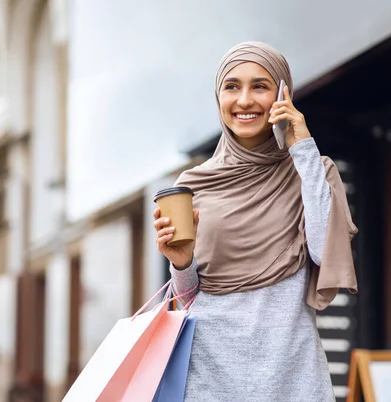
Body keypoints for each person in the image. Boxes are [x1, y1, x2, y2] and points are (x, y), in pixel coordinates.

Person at [153, 42, 358, 401]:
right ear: (218, 98)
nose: (244, 100)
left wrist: (304, 148)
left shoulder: (313, 172)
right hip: (209, 381)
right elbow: (188, 301)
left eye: (260, 86)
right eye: (232, 87)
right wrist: (181, 262)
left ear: (283, 94)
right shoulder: (193, 184)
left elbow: (327, 253)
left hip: (291, 379)